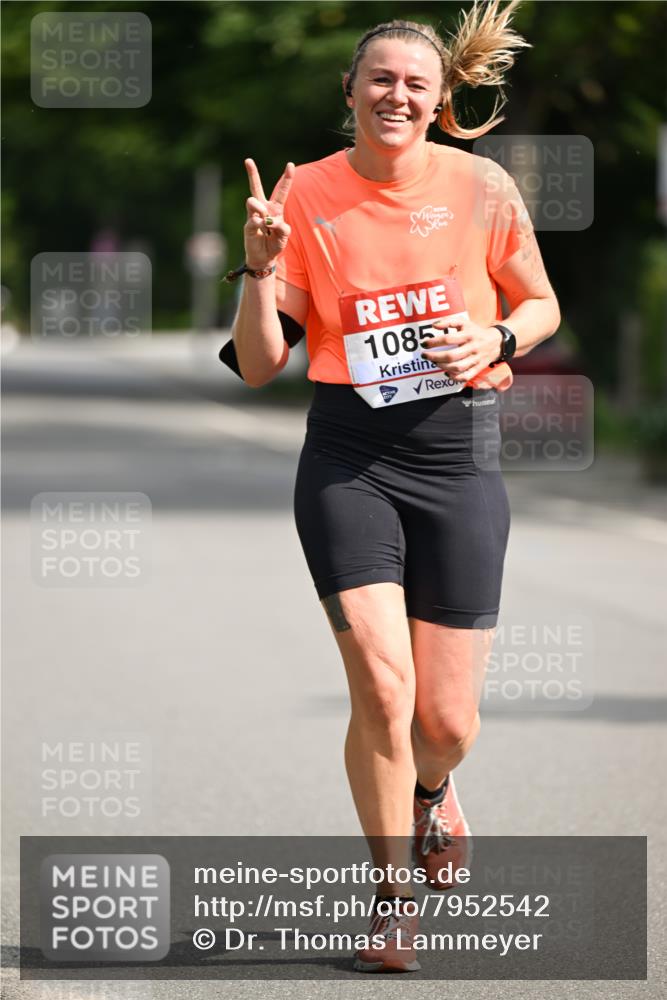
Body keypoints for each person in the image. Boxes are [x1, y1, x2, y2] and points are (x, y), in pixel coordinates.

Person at [221, 0, 560, 975]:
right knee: (381, 684)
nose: (396, 95)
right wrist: (256, 269)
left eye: (415, 83)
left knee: (445, 723)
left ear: (439, 97)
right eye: (379, 79)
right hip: (348, 460)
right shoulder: (306, 196)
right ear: (350, 92)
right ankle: (390, 898)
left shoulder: (481, 185)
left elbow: (539, 303)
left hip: (457, 457)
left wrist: (496, 336)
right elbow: (256, 365)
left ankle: (431, 791)